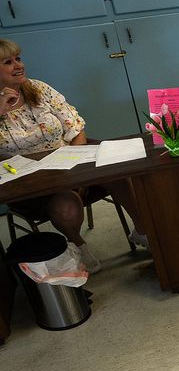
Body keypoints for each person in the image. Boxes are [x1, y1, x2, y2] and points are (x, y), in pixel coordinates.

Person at [0, 39, 148, 273]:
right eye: (8, 62)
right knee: (66, 206)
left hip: (67, 163)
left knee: (115, 170)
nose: (18, 65)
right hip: (29, 183)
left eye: (18, 58)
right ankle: (78, 246)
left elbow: (75, 127)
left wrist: (76, 167)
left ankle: (142, 230)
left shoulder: (38, 88)